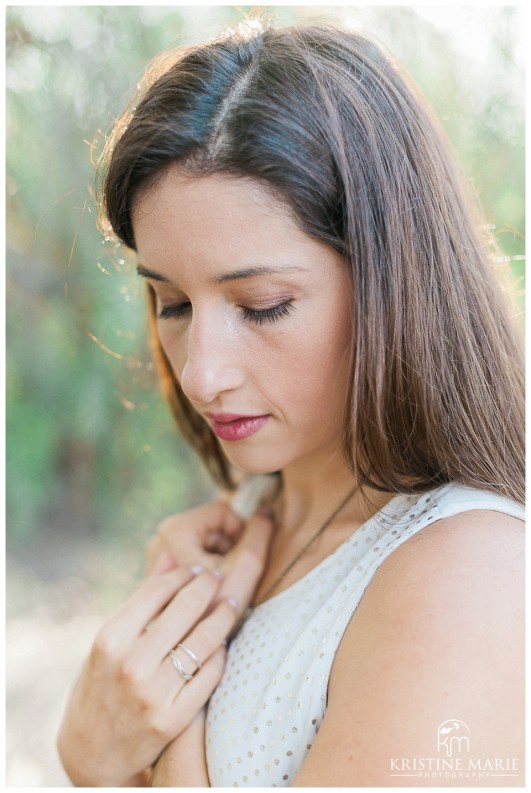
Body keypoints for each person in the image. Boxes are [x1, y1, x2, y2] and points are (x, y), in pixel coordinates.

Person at [57, 20, 525, 787]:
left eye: (263, 305)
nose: (202, 374)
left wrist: (116, 751)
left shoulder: (469, 573)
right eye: (170, 302)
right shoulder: (248, 518)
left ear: (390, 286)